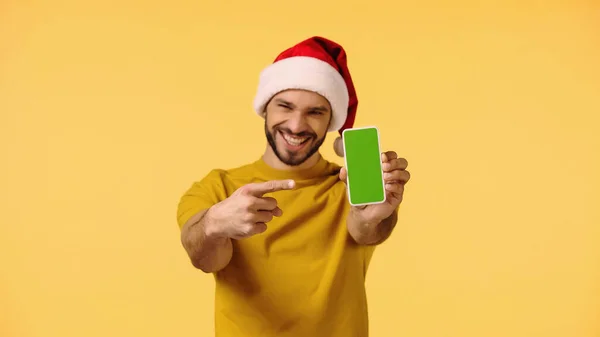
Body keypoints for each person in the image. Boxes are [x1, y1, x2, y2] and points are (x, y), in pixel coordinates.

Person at [176, 36, 411, 337]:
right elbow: (205, 259)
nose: (297, 125)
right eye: (285, 107)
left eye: (315, 112)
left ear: (330, 121)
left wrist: (372, 216)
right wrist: (214, 224)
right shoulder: (218, 188)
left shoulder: (348, 187)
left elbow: (367, 231)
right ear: (265, 109)